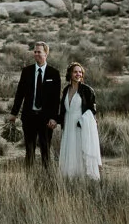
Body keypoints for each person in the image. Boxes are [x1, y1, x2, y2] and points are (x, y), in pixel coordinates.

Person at [9, 41, 61, 169]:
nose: (36, 54)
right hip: (29, 117)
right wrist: (14, 113)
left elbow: (56, 99)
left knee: (45, 150)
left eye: (39, 52)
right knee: (29, 150)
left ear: (46, 54)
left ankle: (47, 179)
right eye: (35, 51)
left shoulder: (54, 73)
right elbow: (19, 93)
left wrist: (54, 118)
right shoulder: (27, 71)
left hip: (46, 119)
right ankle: (29, 179)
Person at [57, 62, 101, 180]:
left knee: (80, 150)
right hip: (68, 126)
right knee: (70, 150)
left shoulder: (87, 90)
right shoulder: (66, 90)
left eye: (80, 72)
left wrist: (84, 121)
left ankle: (82, 179)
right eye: (75, 72)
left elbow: (92, 110)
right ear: (70, 74)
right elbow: (64, 110)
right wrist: (55, 121)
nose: (78, 74)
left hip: (81, 126)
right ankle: (70, 178)